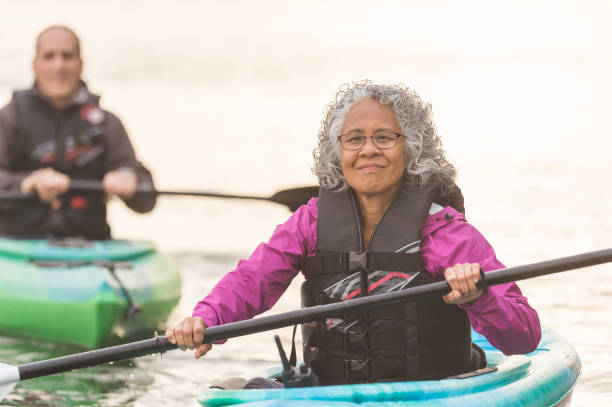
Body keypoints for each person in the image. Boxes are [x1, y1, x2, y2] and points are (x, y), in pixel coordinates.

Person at [166, 81, 541, 386]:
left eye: (384, 137)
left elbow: (523, 337)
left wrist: (478, 294)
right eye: (355, 139)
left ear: (410, 148)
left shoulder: (445, 233)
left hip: (432, 389)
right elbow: (253, 280)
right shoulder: (310, 222)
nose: (369, 150)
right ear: (337, 151)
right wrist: (207, 319)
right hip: (333, 390)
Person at [0, 25, 156, 240]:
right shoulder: (9, 119)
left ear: (80, 65)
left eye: (67, 56)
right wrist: (27, 182)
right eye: (49, 56)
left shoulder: (106, 124)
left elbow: (147, 201)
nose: (58, 66)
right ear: (35, 65)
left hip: (89, 245)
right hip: (15, 243)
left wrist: (130, 180)